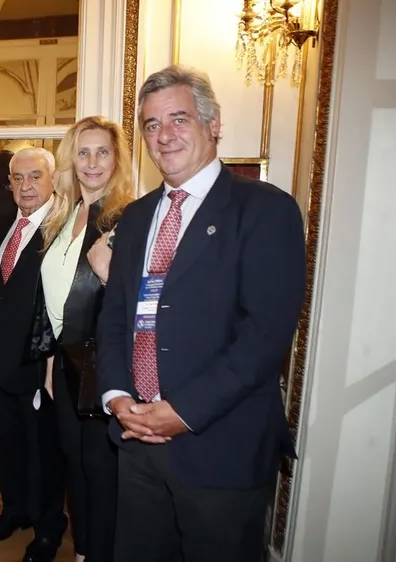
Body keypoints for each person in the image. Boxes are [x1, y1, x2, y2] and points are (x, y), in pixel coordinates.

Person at [97, 65, 306, 562]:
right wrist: (117, 395)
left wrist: (182, 413)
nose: (164, 135)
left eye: (178, 119)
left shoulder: (264, 210)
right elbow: (115, 315)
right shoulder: (137, 216)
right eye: (151, 124)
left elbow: (265, 335)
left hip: (221, 447)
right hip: (136, 438)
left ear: (213, 126)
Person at [31, 116, 136, 562]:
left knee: (101, 472)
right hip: (67, 364)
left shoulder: (128, 217)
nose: (92, 162)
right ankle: (83, 552)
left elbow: (139, 301)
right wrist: (52, 360)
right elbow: (53, 298)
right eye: (83, 151)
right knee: (76, 467)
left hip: (105, 365)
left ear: (117, 160)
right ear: (71, 159)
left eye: (102, 152)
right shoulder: (64, 215)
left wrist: (110, 274)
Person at [0, 147, 66, 562]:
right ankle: (14, 510)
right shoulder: (2, 221)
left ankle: (48, 527)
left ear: (52, 180)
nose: (26, 186)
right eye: (18, 178)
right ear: (8, 183)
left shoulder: (65, 227)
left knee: (43, 451)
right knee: (6, 443)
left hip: (37, 363)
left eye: (35, 177)